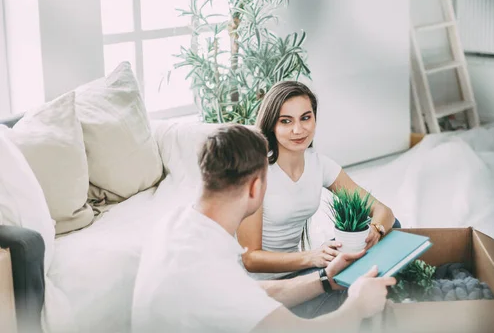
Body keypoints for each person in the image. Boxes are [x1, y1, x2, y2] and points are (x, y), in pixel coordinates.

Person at [131, 124, 396, 333]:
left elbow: (244, 294)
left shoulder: (176, 225)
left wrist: (325, 279)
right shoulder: (209, 271)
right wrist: (358, 305)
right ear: (256, 188)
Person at [238, 81, 399, 282]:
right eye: (286, 121)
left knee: (391, 228)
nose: (298, 130)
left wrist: (375, 230)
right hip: (269, 284)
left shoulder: (319, 164)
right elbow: (250, 259)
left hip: (304, 267)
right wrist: (313, 257)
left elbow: (385, 212)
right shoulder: (255, 173)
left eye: (305, 118)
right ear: (271, 125)